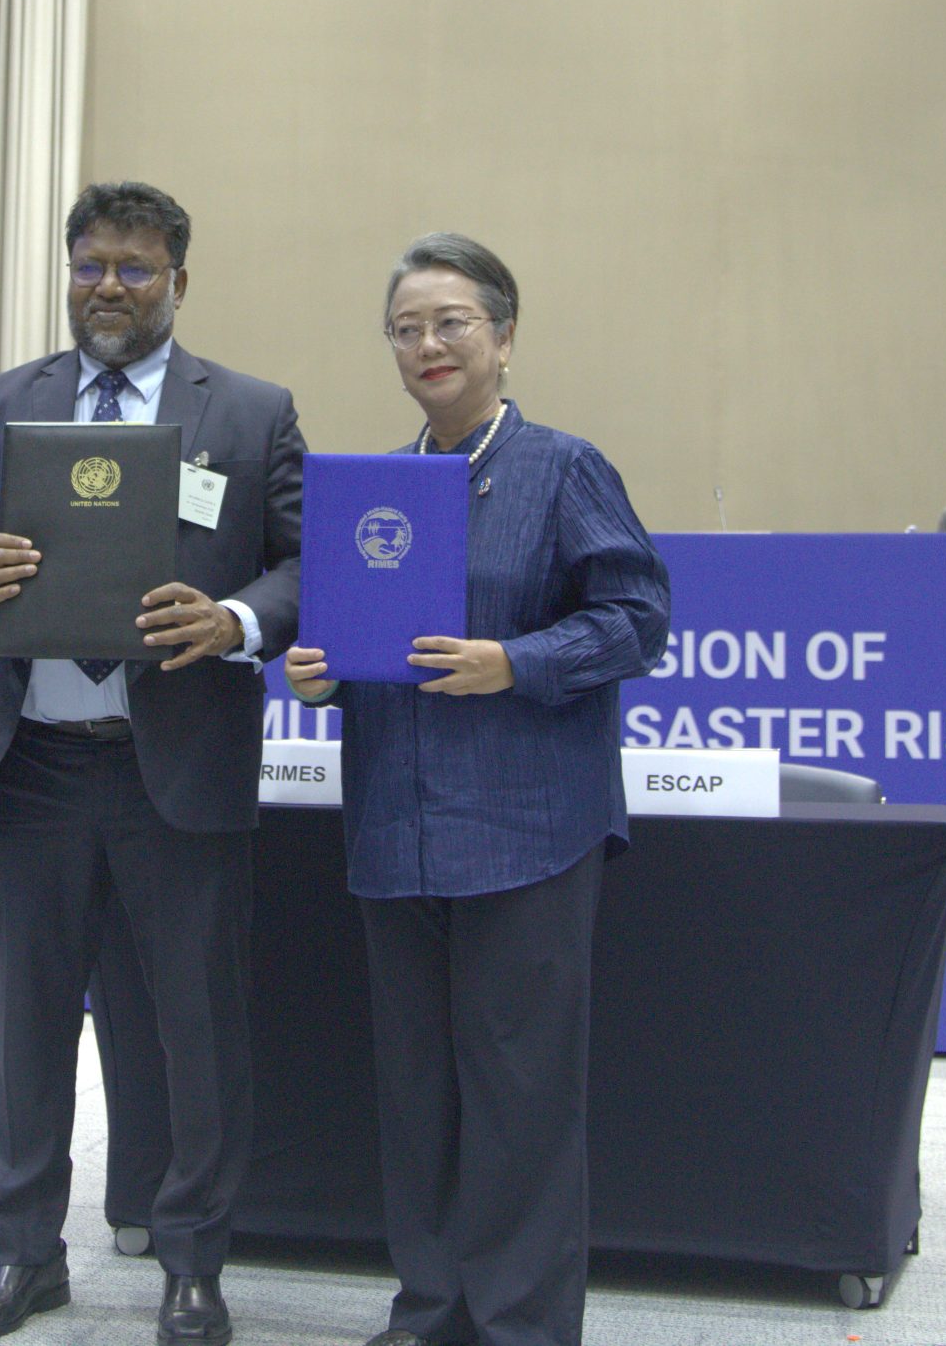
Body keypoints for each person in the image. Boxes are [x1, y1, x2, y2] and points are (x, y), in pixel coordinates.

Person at [0, 182, 304, 1346]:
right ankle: (23, 1256)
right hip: (31, 765)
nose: (107, 286)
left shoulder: (252, 411)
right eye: (89, 266)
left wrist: (234, 618)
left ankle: (193, 1265)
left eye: (133, 267)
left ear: (178, 278)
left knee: (197, 1030)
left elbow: (303, 563)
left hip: (177, 764)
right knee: (29, 1025)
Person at [282, 234, 669, 1346]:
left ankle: (517, 1324)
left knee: (519, 1096)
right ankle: (431, 1308)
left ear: (503, 335)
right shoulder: (371, 487)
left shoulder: (563, 467)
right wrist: (318, 670)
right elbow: (352, 639)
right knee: (417, 1095)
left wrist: (517, 661)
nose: (428, 345)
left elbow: (638, 619)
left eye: (450, 322)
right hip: (395, 827)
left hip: (525, 828)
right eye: (405, 328)